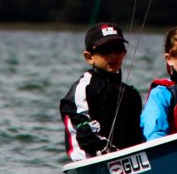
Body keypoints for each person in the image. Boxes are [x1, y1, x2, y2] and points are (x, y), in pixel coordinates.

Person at [60, 22, 144, 161]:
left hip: (126, 161)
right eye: (105, 50)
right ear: (89, 57)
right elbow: (84, 133)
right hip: (92, 163)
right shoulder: (84, 88)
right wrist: (108, 152)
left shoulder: (131, 94)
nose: (113, 55)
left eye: (118, 49)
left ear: (124, 53)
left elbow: (136, 136)